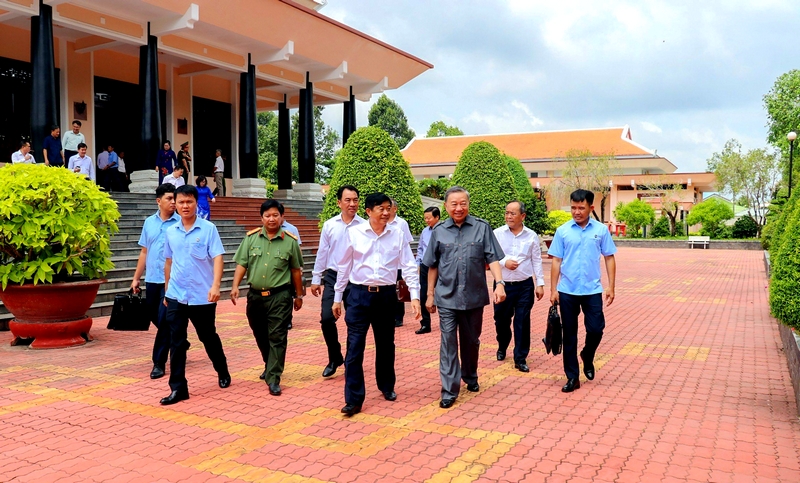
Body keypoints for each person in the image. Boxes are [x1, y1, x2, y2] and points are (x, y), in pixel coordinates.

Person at [332, 193, 421, 416]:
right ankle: (353, 399)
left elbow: (409, 266)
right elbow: (343, 267)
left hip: (386, 296)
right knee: (354, 347)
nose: (386, 212)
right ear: (368, 211)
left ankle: (386, 385)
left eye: (388, 208)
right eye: (380, 208)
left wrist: (416, 296)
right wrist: (337, 297)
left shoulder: (398, 234)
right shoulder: (354, 233)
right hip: (359, 295)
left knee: (386, 344)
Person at [423, 186, 506, 409]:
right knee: (448, 342)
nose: (459, 208)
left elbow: (494, 258)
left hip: (474, 296)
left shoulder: (482, 227)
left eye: (463, 204)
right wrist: (430, 295)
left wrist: (499, 284)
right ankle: (449, 389)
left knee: (471, 341)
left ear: (468, 205)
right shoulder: (438, 231)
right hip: (446, 297)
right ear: (446, 206)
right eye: (454, 204)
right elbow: (432, 265)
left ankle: (470, 375)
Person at [160, 185, 231, 405]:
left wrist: (216, 286)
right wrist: (167, 289)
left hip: (202, 295)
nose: (184, 206)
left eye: (188, 201)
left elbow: (218, 257)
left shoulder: (208, 229)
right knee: (177, 342)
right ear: (175, 204)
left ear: (195, 203)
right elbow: (169, 261)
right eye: (180, 202)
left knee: (208, 337)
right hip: (177, 295)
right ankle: (178, 388)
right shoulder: (170, 231)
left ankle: (222, 370)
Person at [230, 199, 304, 396]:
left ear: (282, 217)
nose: (271, 219)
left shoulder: (290, 241)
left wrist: (299, 295)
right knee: (260, 333)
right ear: (261, 217)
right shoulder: (251, 239)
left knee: (277, 335)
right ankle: (269, 363)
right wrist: (235, 286)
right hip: (255, 296)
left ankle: (274, 377)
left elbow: (296, 270)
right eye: (267, 215)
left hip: (280, 295)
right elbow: (242, 264)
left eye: (275, 215)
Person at [549, 189, 617, 393]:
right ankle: (572, 377)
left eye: (581, 208)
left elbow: (609, 257)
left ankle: (588, 355)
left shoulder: (601, 231)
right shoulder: (562, 231)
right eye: (573, 207)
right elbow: (556, 261)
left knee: (596, 329)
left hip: (592, 289)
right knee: (569, 335)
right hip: (567, 290)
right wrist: (553, 289)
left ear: (591, 208)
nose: (576, 212)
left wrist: (611, 286)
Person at [309, 185, 364, 378]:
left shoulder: (364, 226)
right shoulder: (330, 225)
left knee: (354, 322)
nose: (352, 204)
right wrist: (316, 278)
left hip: (355, 279)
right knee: (326, 318)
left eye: (355, 200)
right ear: (339, 202)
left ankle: (351, 360)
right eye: (348, 200)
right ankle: (335, 357)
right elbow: (323, 252)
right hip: (333, 276)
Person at [130, 183, 180, 380]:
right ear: (158, 201)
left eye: (175, 198)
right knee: (154, 316)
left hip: (172, 281)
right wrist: (136, 278)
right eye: (169, 199)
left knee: (166, 319)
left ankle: (158, 363)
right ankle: (178, 339)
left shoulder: (180, 223)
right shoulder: (149, 223)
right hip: (152, 279)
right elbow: (144, 251)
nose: (174, 203)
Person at [493, 201, 545, 373]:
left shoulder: (531, 236)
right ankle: (502, 344)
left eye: (513, 213)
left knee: (522, 321)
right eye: (507, 212)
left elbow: (536, 260)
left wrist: (540, 284)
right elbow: (490, 256)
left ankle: (520, 357)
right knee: (501, 321)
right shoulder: (497, 233)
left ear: (523, 216)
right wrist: (504, 262)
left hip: (525, 285)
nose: (508, 216)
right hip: (503, 285)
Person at [388, 199, 413, 327]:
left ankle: (398, 318)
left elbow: (407, 242)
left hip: (398, 265)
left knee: (399, 291)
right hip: (386, 266)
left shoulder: (401, 223)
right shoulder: (382, 222)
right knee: (388, 291)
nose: (386, 210)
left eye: (389, 207)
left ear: (395, 209)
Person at [415, 206, 440, 334]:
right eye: (425, 218)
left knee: (444, 293)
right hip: (426, 265)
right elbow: (420, 248)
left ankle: (450, 322)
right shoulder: (425, 231)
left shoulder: (443, 230)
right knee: (423, 293)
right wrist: (418, 263)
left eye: (429, 218)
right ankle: (425, 324)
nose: (427, 220)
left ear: (437, 217)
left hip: (441, 266)